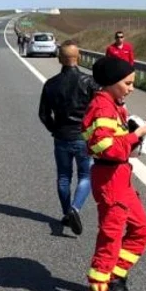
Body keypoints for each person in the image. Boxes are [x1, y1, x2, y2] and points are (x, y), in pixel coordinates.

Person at [81, 56, 146, 291]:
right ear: (112, 82)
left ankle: (115, 277)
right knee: (110, 237)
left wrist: (138, 134)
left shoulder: (115, 105)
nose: (132, 88)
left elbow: (117, 144)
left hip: (120, 176)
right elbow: (104, 147)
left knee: (141, 229)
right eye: (128, 83)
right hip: (110, 179)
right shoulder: (101, 108)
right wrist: (136, 135)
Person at [38, 40, 100, 235]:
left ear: (59, 59)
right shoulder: (90, 82)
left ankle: (66, 212)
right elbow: (99, 111)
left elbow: (44, 114)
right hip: (83, 137)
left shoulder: (51, 84)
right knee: (86, 175)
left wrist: (54, 129)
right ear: (78, 57)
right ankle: (75, 208)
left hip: (61, 136)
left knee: (64, 177)